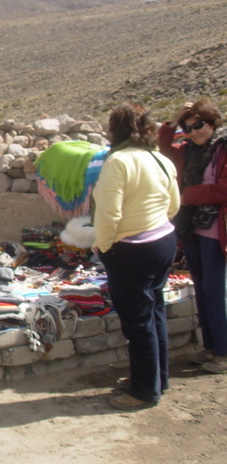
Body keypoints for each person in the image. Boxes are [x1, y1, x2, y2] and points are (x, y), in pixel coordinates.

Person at [92, 103, 180, 409]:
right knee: (154, 312)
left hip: (132, 249)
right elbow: (173, 204)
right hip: (163, 240)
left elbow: (108, 213)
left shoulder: (118, 161)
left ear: (115, 128)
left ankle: (144, 391)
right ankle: (158, 378)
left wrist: (103, 246)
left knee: (138, 321)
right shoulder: (158, 158)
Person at [159, 98, 227, 374]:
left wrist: (186, 196)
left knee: (215, 289)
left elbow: (223, 189)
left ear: (211, 122)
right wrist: (175, 120)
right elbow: (164, 146)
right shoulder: (187, 151)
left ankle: (224, 352)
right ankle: (211, 346)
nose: (194, 132)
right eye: (188, 128)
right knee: (200, 287)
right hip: (192, 227)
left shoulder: (223, 149)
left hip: (216, 229)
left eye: (198, 125)